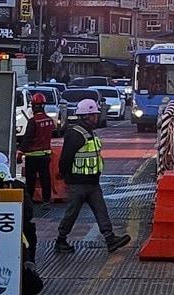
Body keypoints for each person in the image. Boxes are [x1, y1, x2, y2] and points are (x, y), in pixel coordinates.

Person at [54, 99, 130, 255]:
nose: (96, 117)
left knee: (101, 210)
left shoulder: (89, 132)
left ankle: (110, 239)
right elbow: (66, 158)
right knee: (72, 213)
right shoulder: (76, 134)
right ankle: (61, 239)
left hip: (92, 182)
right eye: (94, 115)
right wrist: (63, 175)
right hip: (78, 183)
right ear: (85, 116)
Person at [18, 93, 56, 206]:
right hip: (45, 156)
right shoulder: (49, 120)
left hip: (32, 156)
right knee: (45, 179)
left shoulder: (33, 121)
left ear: (33, 106)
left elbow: (28, 138)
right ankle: (46, 201)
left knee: (31, 181)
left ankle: (29, 202)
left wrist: (20, 152)